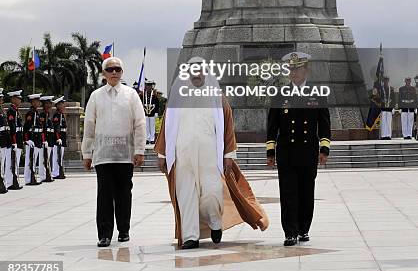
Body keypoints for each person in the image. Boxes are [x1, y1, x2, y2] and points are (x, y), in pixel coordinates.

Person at [155, 56, 268, 249]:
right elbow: (168, 126)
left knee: (212, 194)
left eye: (200, 70)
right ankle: (191, 236)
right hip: (183, 156)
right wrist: (163, 154)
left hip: (209, 157)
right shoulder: (177, 96)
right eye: (193, 70)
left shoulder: (216, 96)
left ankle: (215, 223)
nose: (196, 74)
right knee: (186, 195)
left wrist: (229, 155)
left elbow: (227, 127)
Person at [266, 51, 331, 246]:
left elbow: (325, 125)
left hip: (308, 151)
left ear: (306, 70)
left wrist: (324, 149)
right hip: (286, 152)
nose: (293, 72)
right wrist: (271, 151)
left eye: (297, 68)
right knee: (288, 193)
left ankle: (304, 229)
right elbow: (272, 126)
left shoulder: (317, 94)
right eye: (291, 68)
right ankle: (290, 232)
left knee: (305, 191)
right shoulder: (280, 95)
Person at [82, 56, 146, 248]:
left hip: (125, 154)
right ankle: (104, 234)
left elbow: (140, 123)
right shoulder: (96, 96)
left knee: (124, 193)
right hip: (103, 154)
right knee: (104, 194)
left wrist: (140, 150)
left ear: (122, 72)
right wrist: (87, 153)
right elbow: (89, 125)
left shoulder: (131, 94)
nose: (114, 73)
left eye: (118, 69)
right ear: (104, 73)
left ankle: (124, 230)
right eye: (110, 70)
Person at [23, 93, 43, 185]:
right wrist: (27, 139)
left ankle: (32, 177)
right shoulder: (31, 113)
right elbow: (26, 127)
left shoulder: (35, 112)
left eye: (39, 101)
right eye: (36, 101)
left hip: (37, 138)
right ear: (32, 102)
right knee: (30, 159)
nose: (38, 103)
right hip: (32, 139)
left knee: (34, 159)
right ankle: (28, 179)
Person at [5, 90, 24, 190]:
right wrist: (14, 142)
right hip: (14, 140)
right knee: (10, 163)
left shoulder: (16, 111)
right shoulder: (11, 111)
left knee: (15, 162)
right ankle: (9, 182)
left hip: (18, 139)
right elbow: (12, 128)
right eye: (18, 98)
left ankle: (14, 181)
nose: (19, 100)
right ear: (12, 99)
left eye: (20, 99)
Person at [52, 96, 67, 179]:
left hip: (62, 137)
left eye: (63, 104)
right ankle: (55, 173)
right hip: (58, 138)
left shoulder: (61, 114)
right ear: (57, 106)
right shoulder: (57, 115)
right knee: (56, 157)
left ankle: (59, 172)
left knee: (60, 156)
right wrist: (58, 138)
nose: (63, 106)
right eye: (61, 104)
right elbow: (56, 128)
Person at [0, 88, 11, 193]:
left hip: (3, 140)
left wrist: (9, 141)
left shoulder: (2, 110)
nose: (2, 101)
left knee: (2, 163)